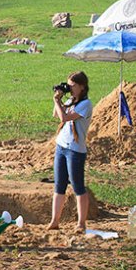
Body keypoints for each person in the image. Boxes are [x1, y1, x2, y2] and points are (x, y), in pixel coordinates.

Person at [47, 71, 92, 232]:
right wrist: (59, 99)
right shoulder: (71, 100)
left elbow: (65, 118)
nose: (70, 88)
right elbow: (56, 114)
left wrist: (57, 101)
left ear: (82, 87)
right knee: (59, 185)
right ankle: (55, 220)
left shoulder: (86, 104)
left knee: (78, 186)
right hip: (62, 146)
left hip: (75, 150)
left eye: (72, 86)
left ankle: (81, 223)